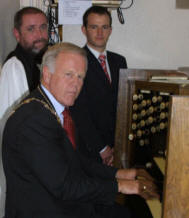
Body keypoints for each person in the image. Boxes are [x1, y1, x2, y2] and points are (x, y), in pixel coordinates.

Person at [2, 42, 159, 218]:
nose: (75, 84)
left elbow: (76, 161)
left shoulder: (51, 108)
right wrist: (122, 186)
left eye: (80, 77)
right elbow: (65, 187)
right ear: (47, 74)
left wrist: (122, 173)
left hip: (64, 204)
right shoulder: (33, 120)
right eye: (68, 75)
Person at [0, 6, 48, 218]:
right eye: (31, 29)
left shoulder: (34, 64)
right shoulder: (15, 66)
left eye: (43, 27)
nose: (39, 35)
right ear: (17, 34)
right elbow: (14, 127)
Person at [70, 6, 127, 166]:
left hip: (117, 148)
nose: (100, 33)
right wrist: (102, 149)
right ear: (84, 29)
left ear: (110, 30)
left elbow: (122, 106)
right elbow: (79, 111)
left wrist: (118, 145)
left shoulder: (120, 61)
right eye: (94, 27)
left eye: (104, 27)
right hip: (89, 149)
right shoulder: (77, 61)